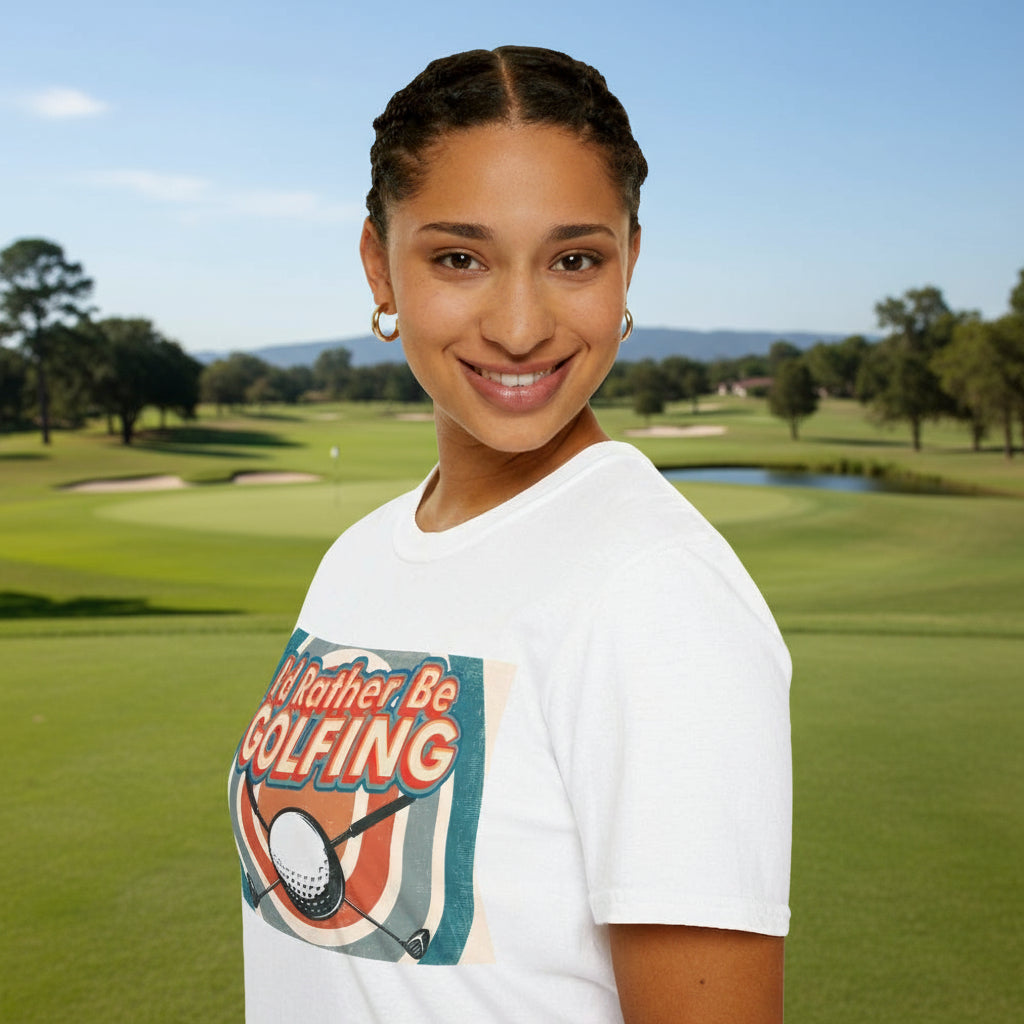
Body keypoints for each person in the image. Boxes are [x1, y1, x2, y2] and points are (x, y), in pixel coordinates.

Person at [229, 45, 791, 1023]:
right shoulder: (359, 555)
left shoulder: (657, 592)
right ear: (379, 264)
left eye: (575, 259)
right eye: (459, 258)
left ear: (629, 264)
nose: (522, 325)